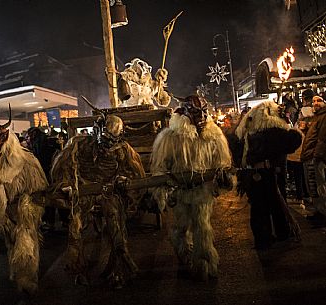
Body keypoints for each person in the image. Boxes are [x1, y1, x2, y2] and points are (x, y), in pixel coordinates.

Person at [51, 113, 146, 288]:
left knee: (115, 228)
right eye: (106, 138)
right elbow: (64, 167)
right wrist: (67, 184)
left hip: (109, 192)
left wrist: (123, 180)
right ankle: (80, 269)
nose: (108, 145)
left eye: (113, 140)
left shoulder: (124, 150)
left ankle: (118, 269)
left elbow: (134, 172)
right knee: (78, 230)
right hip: (85, 192)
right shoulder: (79, 144)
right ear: (98, 131)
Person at [150, 95, 233, 281]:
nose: (202, 118)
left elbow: (222, 162)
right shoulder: (170, 138)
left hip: (201, 192)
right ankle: (184, 255)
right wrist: (164, 188)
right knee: (181, 227)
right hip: (180, 191)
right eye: (197, 113)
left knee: (202, 225)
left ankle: (204, 261)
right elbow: (161, 166)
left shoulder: (214, 135)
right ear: (185, 113)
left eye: (204, 113)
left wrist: (223, 176)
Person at [0, 110, 48, 294]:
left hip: (24, 211)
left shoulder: (26, 161)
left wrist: (26, 206)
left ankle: (28, 279)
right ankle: (16, 272)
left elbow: (39, 188)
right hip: (5, 213)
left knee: (26, 242)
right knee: (10, 242)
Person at [236, 101, 302, 250]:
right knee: (276, 205)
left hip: (253, 175)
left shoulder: (247, 133)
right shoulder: (275, 131)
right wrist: (288, 125)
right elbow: (294, 141)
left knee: (259, 208)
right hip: (271, 174)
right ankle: (283, 233)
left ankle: (262, 239)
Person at [301, 95, 326, 227]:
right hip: (310, 156)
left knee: (319, 186)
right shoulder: (316, 117)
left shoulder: (324, 116)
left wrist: (317, 156)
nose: (315, 103)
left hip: (316, 158)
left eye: (319, 100)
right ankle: (318, 211)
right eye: (314, 101)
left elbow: (322, 139)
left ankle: (323, 214)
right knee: (313, 186)